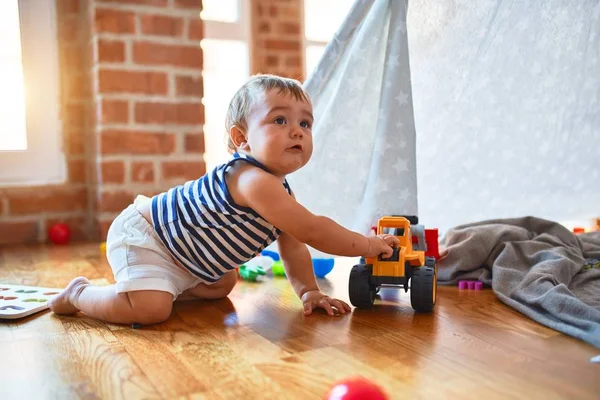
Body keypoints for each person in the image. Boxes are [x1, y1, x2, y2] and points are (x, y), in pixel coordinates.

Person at [48, 74, 398, 325]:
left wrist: (309, 292)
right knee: (150, 311)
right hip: (148, 237)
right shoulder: (249, 179)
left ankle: (162, 286)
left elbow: (293, 245)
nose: (298, 131)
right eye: (280, 120)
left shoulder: (280, 191)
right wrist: (366, 245)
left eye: (305, 124)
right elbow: (312, 230)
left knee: (224, 282)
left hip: (187, 259)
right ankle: (81, 293)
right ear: (242, 138)